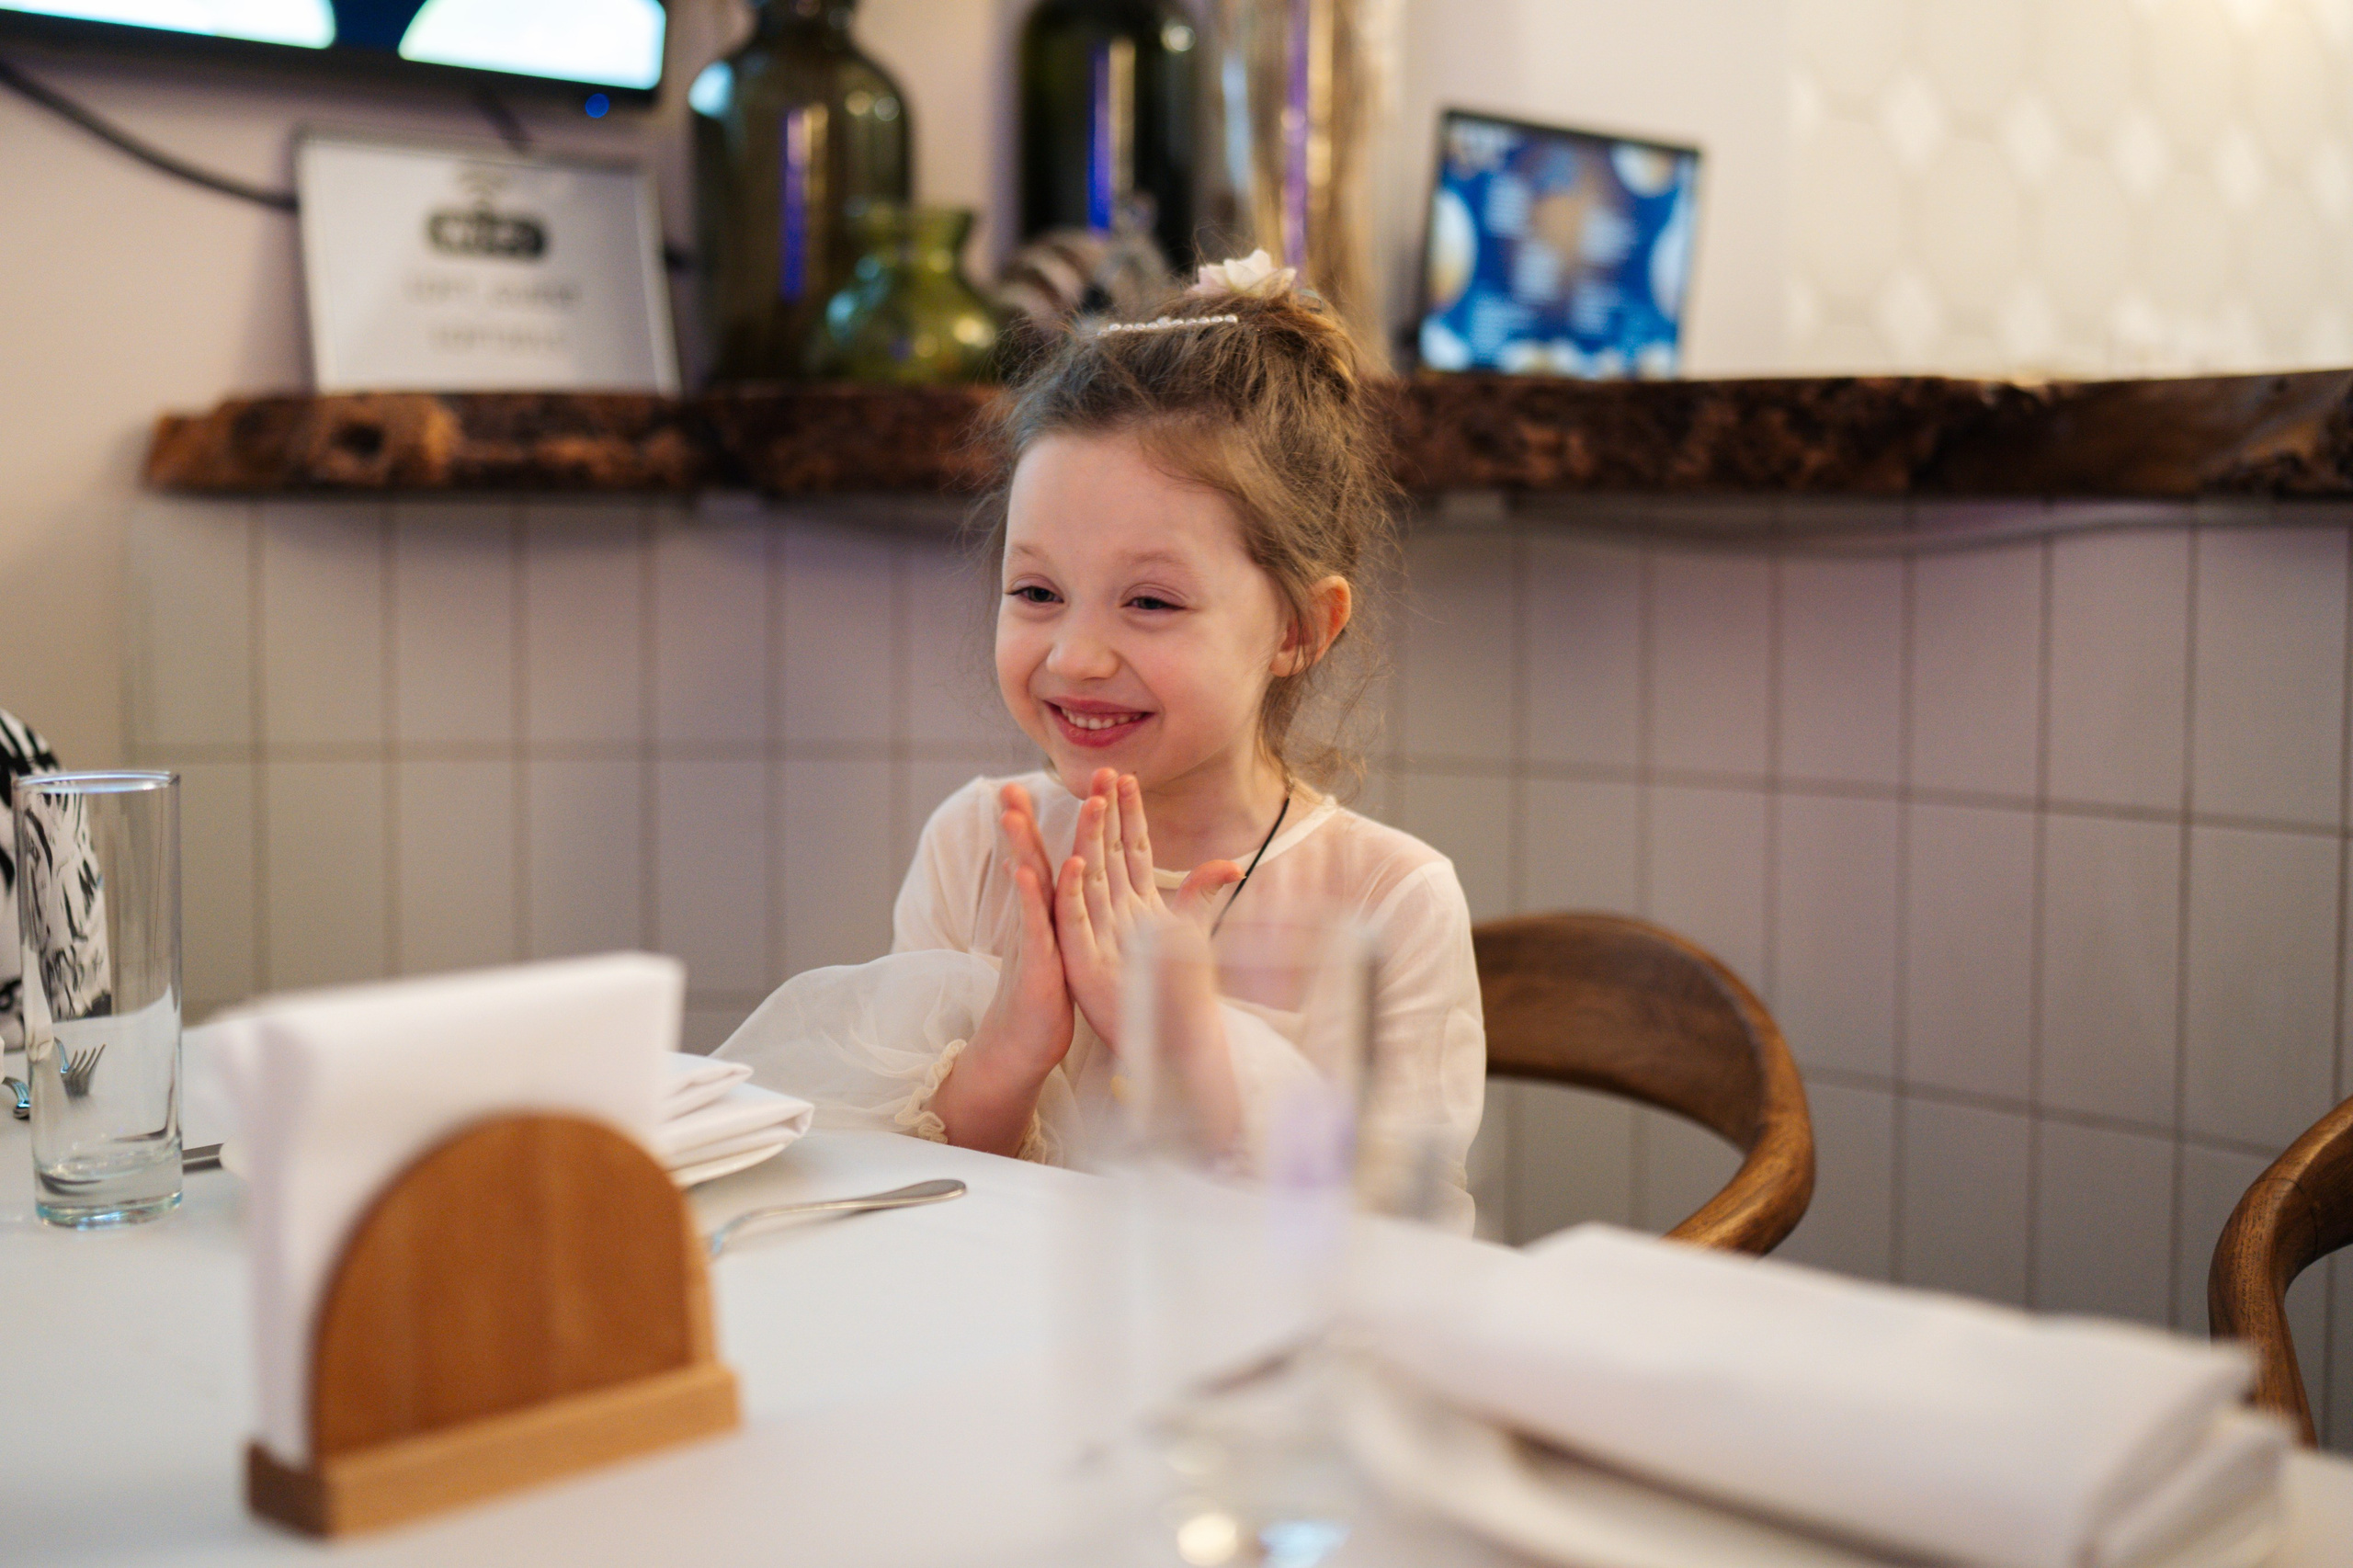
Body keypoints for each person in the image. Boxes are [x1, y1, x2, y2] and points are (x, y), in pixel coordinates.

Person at [721, 253, 1486, 1228]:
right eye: (1036, 592)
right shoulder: (977, 846)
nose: (1076, 657)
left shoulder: (1388, 903)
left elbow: (1392, 1251)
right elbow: (901, 1206)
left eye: (1151, 601)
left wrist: (1185, 1045)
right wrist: (1011, 1046)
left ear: (1299, 628)